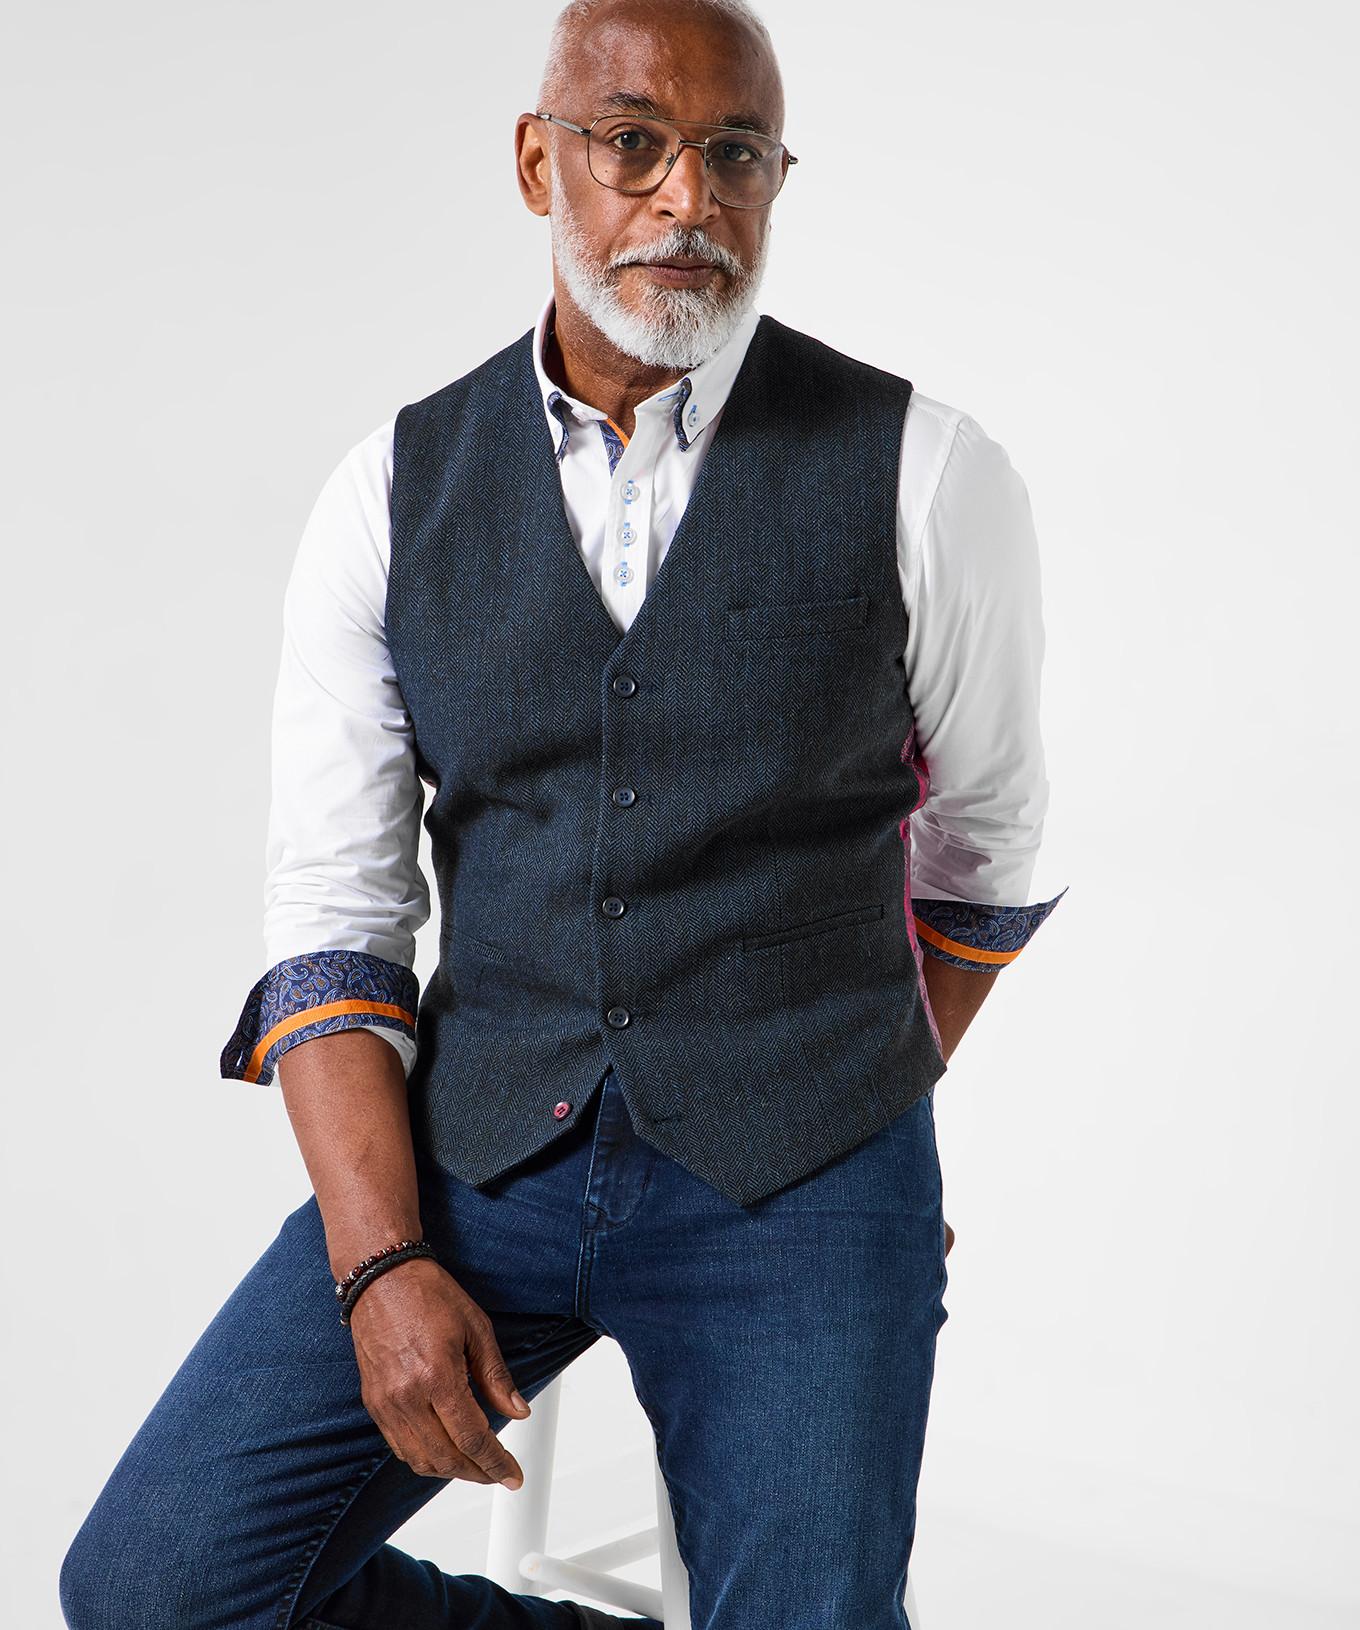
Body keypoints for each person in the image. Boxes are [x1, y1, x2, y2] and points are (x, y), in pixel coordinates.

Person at [60, 1, 1065, 1625]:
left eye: (737, 154)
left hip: (805, 1175)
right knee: (153, 1585)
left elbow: (986, 851)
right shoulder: (390, 494)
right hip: (482, 1161)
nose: (688, 197)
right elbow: (336, 920)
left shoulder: (927, 475)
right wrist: (384, 1262)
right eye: (634, 141)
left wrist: (852, 1124)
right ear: (540, 162)